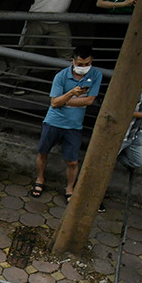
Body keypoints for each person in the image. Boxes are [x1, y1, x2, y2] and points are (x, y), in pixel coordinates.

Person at [32, 47, 101, 201]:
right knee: (43, 152)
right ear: (73, 61)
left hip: (74, 126)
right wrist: (71, 93)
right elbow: (54, 103)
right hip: (53, 121)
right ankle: (40, 179)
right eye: (80, 64)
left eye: (87, 64)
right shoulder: (61, 76)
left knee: (72, 161)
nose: (83, 68)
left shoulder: (96, 75)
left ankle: (70, 188)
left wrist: (64, 100)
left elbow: (89, 100)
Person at [14, 0, 91, 80]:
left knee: (66, 52)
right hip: (38, 15)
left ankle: (66, 84)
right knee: (27, 50)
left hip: (60, 18)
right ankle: (17, 81)